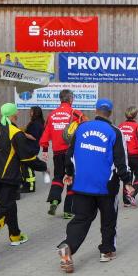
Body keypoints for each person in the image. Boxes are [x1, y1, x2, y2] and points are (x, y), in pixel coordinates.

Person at [56, 99, 135, 273]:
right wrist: (127, 181)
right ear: (110, 113)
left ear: (96, 110)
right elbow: (121, 161)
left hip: (82, 184)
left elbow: (69, 155)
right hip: (106, 186)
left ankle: (68, 246)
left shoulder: (81, 128)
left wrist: (69, 173)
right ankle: (106, 251)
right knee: (108, 219)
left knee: (81, 219)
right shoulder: (115, 132)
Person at [0, 103, 37, 258]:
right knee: (5, 209)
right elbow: (26, 157)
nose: (17, 114)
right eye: (16, 112)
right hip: (8, 177)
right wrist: (44, 166)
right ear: (14, 114)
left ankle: (15, 235)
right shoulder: (15, 132)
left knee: (10, 204)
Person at [40, 89, 84, 218]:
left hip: (57, 152)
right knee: (71, 178)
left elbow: (46, 133)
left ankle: (54, 200)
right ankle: (68, 211)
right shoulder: (76, 113)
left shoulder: (52, 114)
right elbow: (85, 129)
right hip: (72, 152)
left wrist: (45, 149)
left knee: (58, 177)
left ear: (60, 99)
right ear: (70, 99)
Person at [118, 106, 138, 207]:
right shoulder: (137, 126)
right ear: (135, 115)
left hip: (124, 156)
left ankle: (126, 202)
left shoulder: (120, 126)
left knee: (127, 177)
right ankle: (131, 194)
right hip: (135, 155)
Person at [20, 107, 48, 194]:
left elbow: (34, 137)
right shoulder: (36, 122)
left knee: (28, 165)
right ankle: (43, 168)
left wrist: (21, 133)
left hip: (31, 147)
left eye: (31, 111)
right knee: (27, 164)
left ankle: (30, 186)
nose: (30, 113)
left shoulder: (36, 124)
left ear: (35, 113)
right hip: (30, 147)